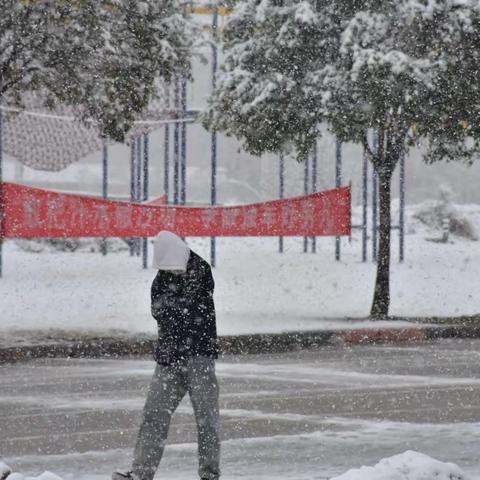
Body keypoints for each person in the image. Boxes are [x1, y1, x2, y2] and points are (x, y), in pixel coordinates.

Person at [113, 231, 220, 480]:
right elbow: (162, 311)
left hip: (198, 358)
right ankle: (141, 473)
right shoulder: (162, 279)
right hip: (169, 359)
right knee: (153, 416)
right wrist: (174, 311)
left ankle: (210, 475)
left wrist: (174, 309)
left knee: (207, 421)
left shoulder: (200, 270)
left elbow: (187, 310)